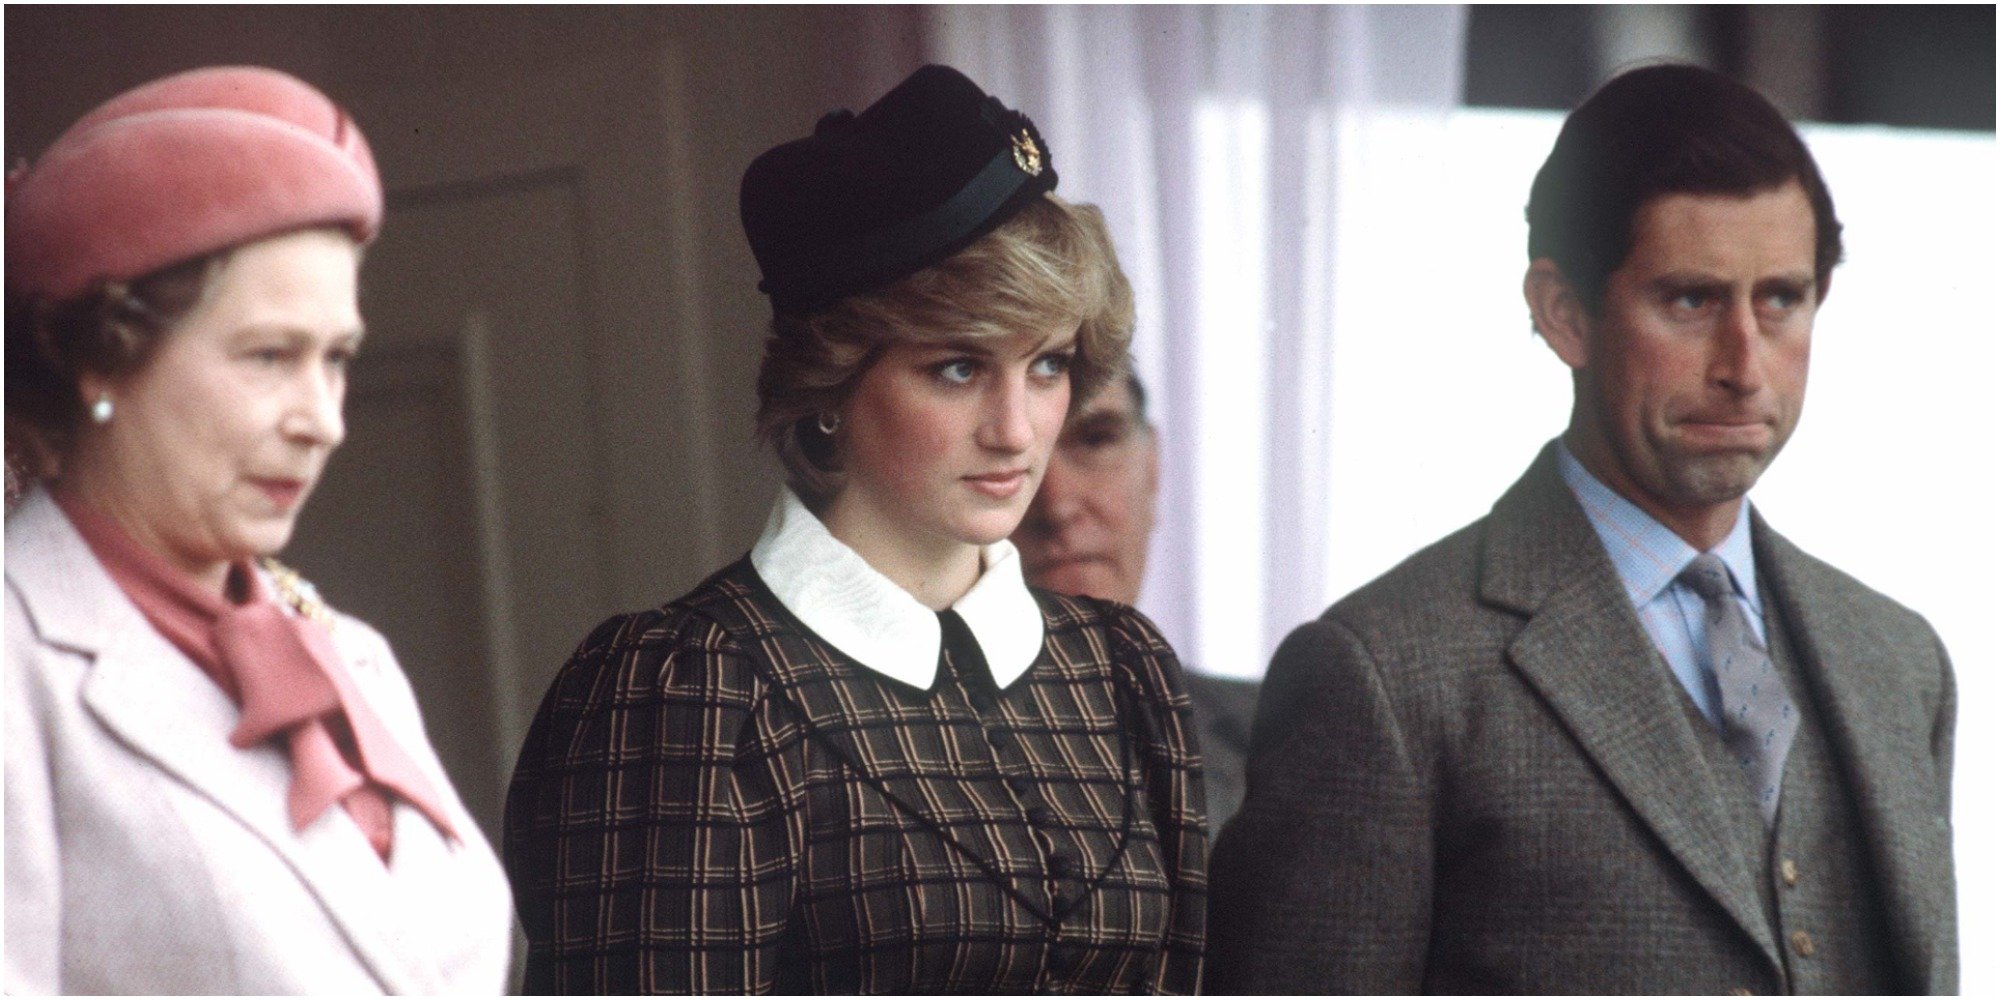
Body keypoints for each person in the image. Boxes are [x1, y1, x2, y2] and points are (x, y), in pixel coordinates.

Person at [1206, 64, 1957, 994]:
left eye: (1781, 299)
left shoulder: (1900, 661)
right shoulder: (1386, 675)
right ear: (1563, 314)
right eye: (1691, 299)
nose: (1745, 365)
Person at [503, 65, 1206, 994]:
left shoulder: (1122, 669)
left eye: (1045, 365)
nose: (1018, 429)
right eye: (958, 369)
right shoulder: (693, 691)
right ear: (830, 386)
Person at [3, 67, 512, 993]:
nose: (323, 419)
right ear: (102, 360)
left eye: (338, 359)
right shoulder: (16, 666)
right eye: (270, 356)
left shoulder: (350, 655)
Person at [1013, 371, 1260, 838]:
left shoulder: (1277, 736)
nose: (1058, 506)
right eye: (1007, 459)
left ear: (1153, 468)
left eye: (1096, 439)